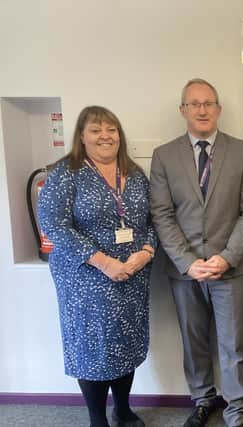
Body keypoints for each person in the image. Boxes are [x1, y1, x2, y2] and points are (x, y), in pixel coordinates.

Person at [150, 78, 243, 427]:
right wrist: (188, 262)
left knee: (234, 347)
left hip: (231, 268)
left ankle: (236, 410)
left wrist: (227, 256)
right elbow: (162, 214)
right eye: (194, 103)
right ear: (183, 110)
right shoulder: (164, 156)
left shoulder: (242, 151)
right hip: (185, 272)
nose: (202, 110)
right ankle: (202, 398)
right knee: (194, 341)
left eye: (208, 103)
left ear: (219, 110)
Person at [38, 106, 156, 427]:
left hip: (131, 274)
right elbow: (52, 223)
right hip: (85, 278)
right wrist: (103, 262)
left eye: (111, 129)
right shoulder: (66, 172)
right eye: (96, 130)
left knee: (125, 342)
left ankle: (122, 409)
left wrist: (144, 253)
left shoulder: (133, 173)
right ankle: (97, 419)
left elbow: (152, 219)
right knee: (93, 349)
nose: (105, 136)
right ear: (82, 136)